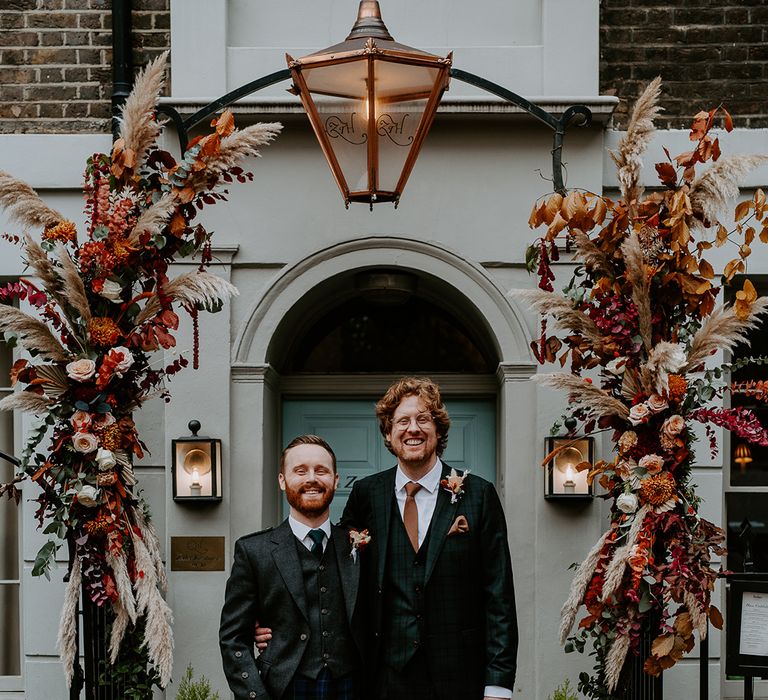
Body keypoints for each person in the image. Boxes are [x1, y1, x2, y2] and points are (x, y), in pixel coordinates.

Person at [340, 376, 518, 700]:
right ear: (388, 432)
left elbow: (499, 596)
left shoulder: (478, 495)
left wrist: (499, 684)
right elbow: (335, 569)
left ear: (438, 430)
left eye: (423, 419)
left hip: (460, 677)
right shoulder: (366, 495)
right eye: (403, 421)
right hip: (383, 679)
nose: (413, 429)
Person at [220, 435, 364, 700]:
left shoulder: (359, 546)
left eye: (321, 470)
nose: (311, 478)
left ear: (336, 480)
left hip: (352, 687)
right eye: (300, 471)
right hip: (284, 688)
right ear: (282, 481)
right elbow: (233, 639)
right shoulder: (255, 551)